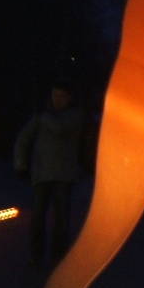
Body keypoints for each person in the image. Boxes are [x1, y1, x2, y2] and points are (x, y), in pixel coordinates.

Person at [14, 80, 91, 267]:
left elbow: (60, 129)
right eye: (55, 96)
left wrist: (43, 117)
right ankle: (36, 256)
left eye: (62, 96)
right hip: (42, 175)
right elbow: (23, 139)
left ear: (69, 98)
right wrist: (21, 163)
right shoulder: (41, 116)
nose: (58, 100)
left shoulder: (75, 116)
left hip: (64, 175)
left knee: (61, 220)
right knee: (38, 218)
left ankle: (59, 257)